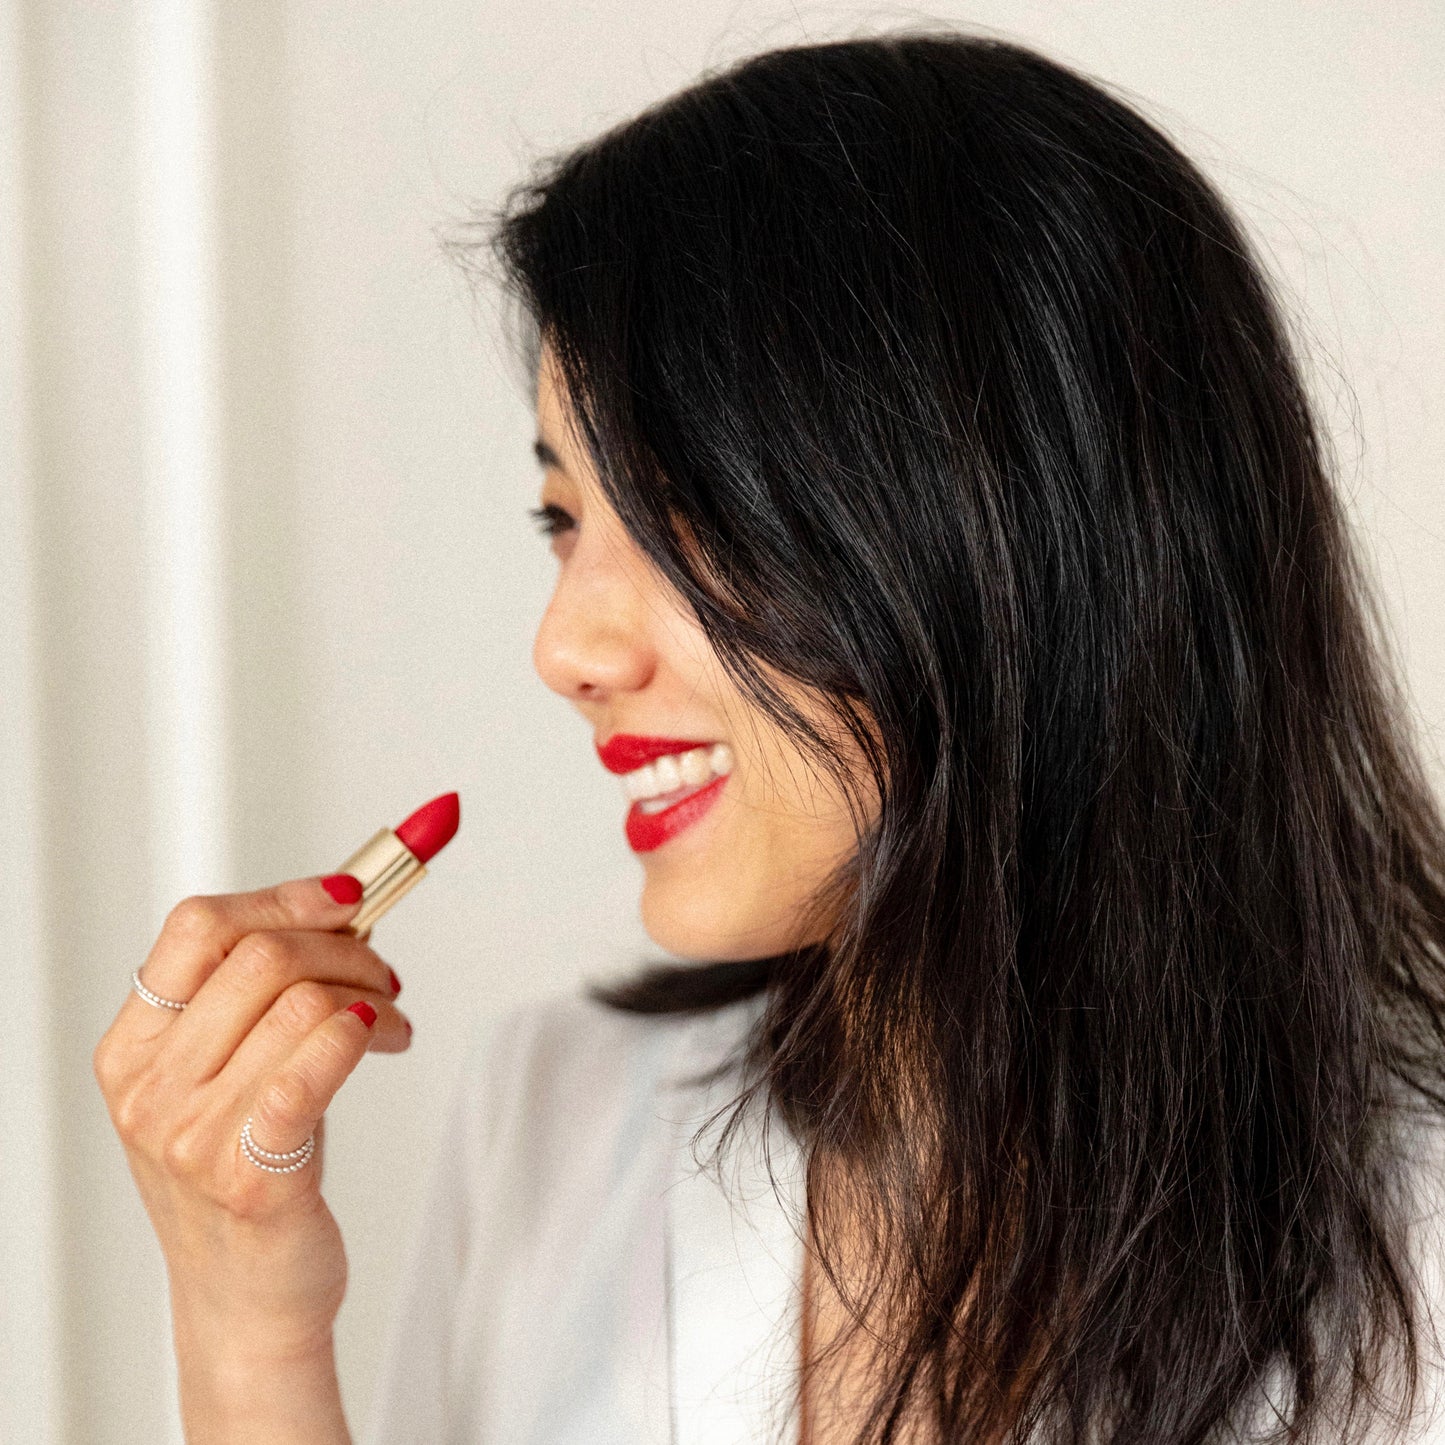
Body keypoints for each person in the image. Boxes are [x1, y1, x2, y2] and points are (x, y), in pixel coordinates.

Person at [92, 28, 1445, 1445]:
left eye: (683, 512)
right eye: (564, 519)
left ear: (1013, 527)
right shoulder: (550, 1120)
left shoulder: (1411, 1247)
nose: (566, 651)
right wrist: (245, 1325)